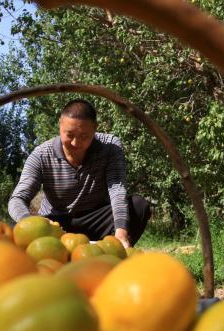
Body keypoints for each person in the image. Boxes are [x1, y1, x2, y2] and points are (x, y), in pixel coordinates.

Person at [8, 99, 151, 247]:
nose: (75, 143)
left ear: (95, 128)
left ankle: (113, 250)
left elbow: (117, 191)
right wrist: (32, 223)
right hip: (57, 223)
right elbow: (17, 199)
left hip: (96, 220)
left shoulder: (110, 147)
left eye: (84, 137)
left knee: (137, 206)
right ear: (60, 125)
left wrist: (121, 233)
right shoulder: (41, 155)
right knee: (15, 229)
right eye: (69, 135)